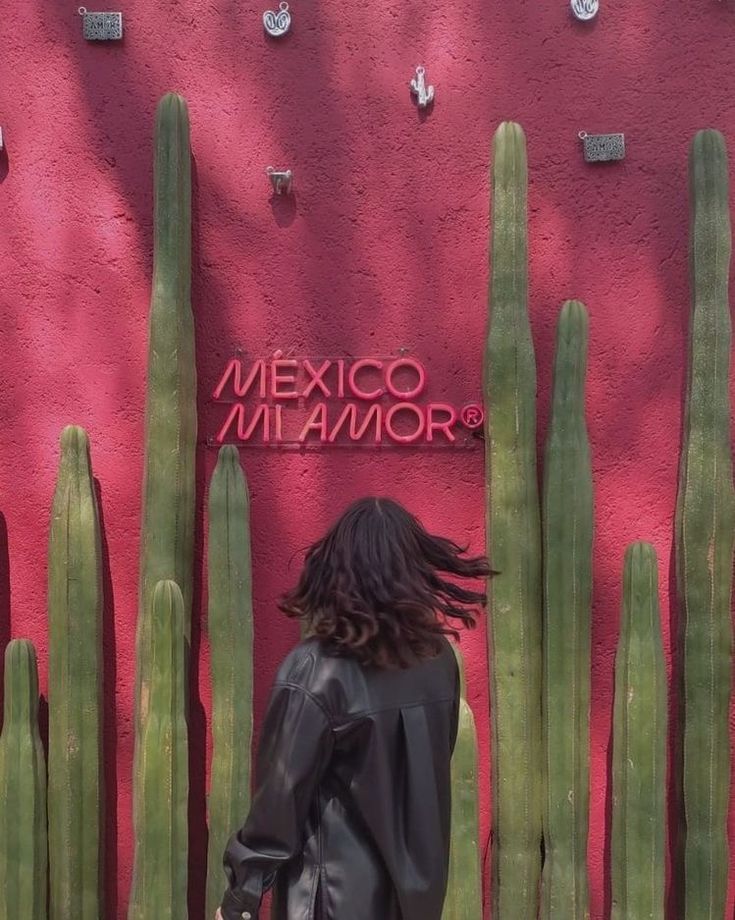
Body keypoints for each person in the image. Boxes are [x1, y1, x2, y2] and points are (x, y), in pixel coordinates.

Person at [216, 496, 493, 920]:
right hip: (418, 901)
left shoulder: (314, 670)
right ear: (412, 569)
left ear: (335, 570)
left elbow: (279, 802)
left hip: (332, 902)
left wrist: (241, 899)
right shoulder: (438, 658)